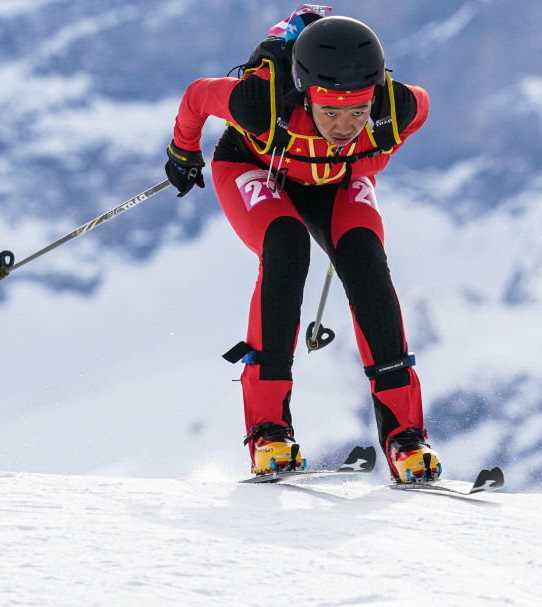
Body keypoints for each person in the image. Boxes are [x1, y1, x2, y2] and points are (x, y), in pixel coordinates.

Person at [164, 7, 440, 481]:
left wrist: (364, 163)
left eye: (358, 111)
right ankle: (269, 433)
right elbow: (196, 98)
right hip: (255, 166)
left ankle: (405, 439)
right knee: (287, 247)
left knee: (366, 262)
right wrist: (183, 152)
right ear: (305, 92)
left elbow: (423, 106)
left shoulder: (394, 104)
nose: (345, 125)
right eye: (330, 111)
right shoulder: (259, 102)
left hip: (335, 179)